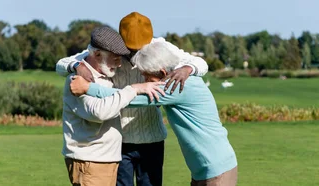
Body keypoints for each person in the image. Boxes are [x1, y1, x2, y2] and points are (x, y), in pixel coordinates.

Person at [56, 12, 208, 186]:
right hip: (120, 141)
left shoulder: (159, 46)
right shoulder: (111, 48)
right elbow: (62, 63)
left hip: (152, 138)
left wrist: (187, 68)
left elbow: (201, 63)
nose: (135, 51)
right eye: (131, 47)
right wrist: (76, 65)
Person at [70, 41, 238, 186]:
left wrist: (88, 88)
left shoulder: (176, 86)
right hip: (204, 169)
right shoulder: (179, 80)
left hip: (216, 169)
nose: (144, 83)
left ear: (163, 73)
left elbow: (130, 99)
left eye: (147, 77)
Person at [61, 26, 164, 186]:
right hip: (89, 161)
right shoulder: (79, 78)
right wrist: (134, 89)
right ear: (96, 54)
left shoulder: (105, 74)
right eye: (115, 58)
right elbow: (99, 112)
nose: (120, 64)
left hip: (106, 160)